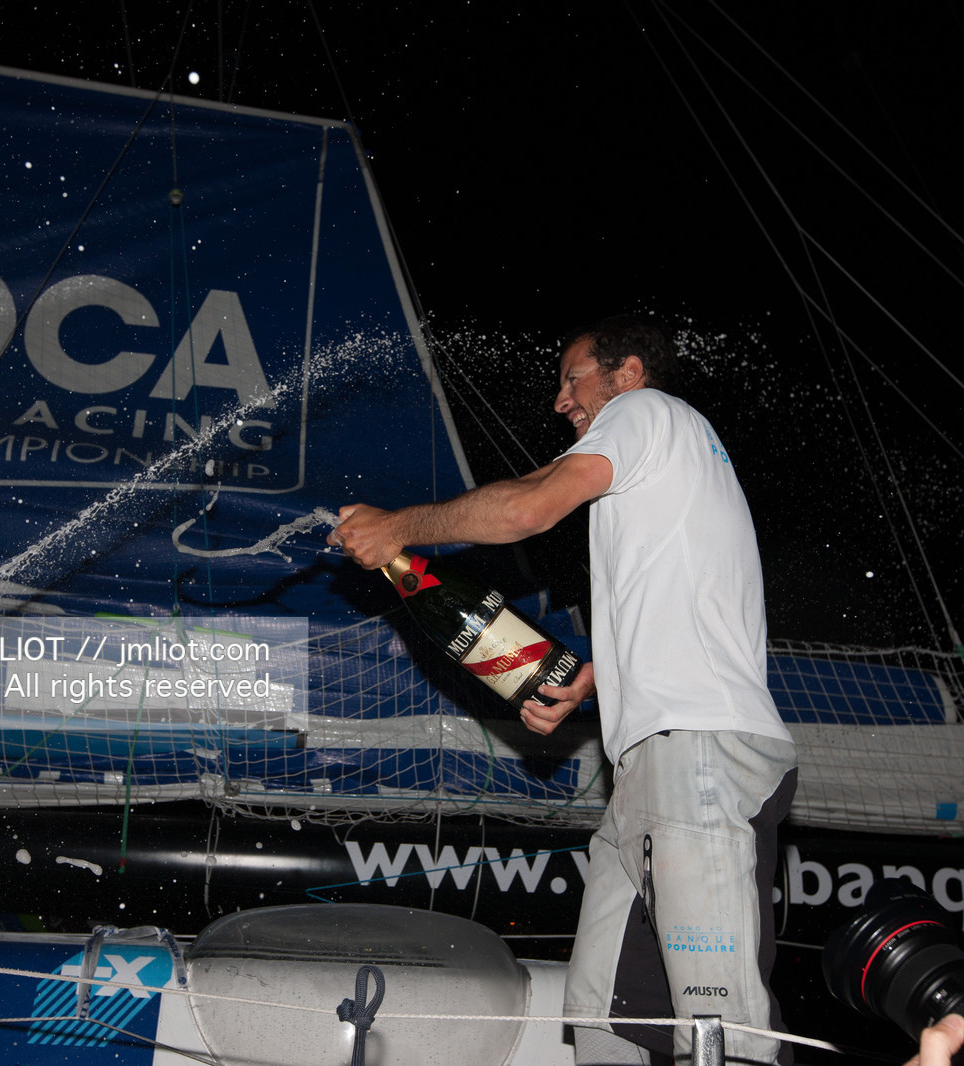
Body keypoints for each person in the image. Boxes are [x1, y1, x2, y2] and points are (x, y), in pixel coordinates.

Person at [331, 315, 798, 1065]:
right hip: (649, 767)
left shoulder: (646, 414)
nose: (560, 400)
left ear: (629, 373)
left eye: (572, 377)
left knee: (720, 1028)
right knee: (604, 1019)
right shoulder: (668, 464)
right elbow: (681, 605)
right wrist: (591, 682)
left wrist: (400, 529)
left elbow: (525, 509)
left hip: (701, 754)